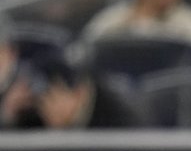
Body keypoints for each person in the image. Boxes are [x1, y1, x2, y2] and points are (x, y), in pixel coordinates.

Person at [2, 50, 142, 130]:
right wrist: (8, 116)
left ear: (79, 93)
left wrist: (71, 127)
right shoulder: (33, 114)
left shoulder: (118, 114)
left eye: (52, 96)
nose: (46, 107)